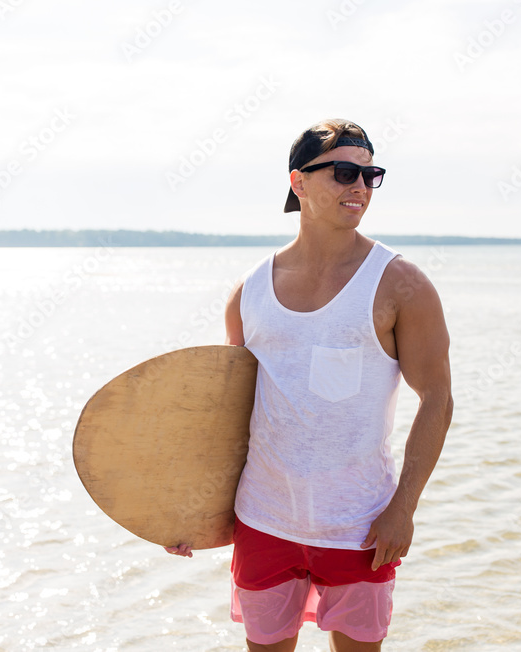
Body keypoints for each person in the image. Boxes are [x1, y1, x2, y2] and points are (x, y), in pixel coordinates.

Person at [166, 118, 453, 651]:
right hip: (263, 522)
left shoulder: (401, 284)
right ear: (298, 182)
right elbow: (227, 415)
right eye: (345, 172)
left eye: (372, 176)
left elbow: (437, 399)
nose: (360, 188)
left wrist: (403, 508)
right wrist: (184, 509)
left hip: (360, 526)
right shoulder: (249, 291)